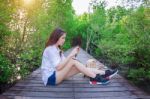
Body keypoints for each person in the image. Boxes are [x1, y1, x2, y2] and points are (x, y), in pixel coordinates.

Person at [41, 28, 118, 86]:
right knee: (73, 61)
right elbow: (58, 67)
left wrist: (74, 55)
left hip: (57, 74)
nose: (64, 40)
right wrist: (71, 55)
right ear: (56, 37)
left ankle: (104, 73)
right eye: (63, 38)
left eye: (65, 38)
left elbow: (65, 62)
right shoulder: (50, 49)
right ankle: (96, 78)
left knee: (78, 66)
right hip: (50, 78)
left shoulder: (57, 49)